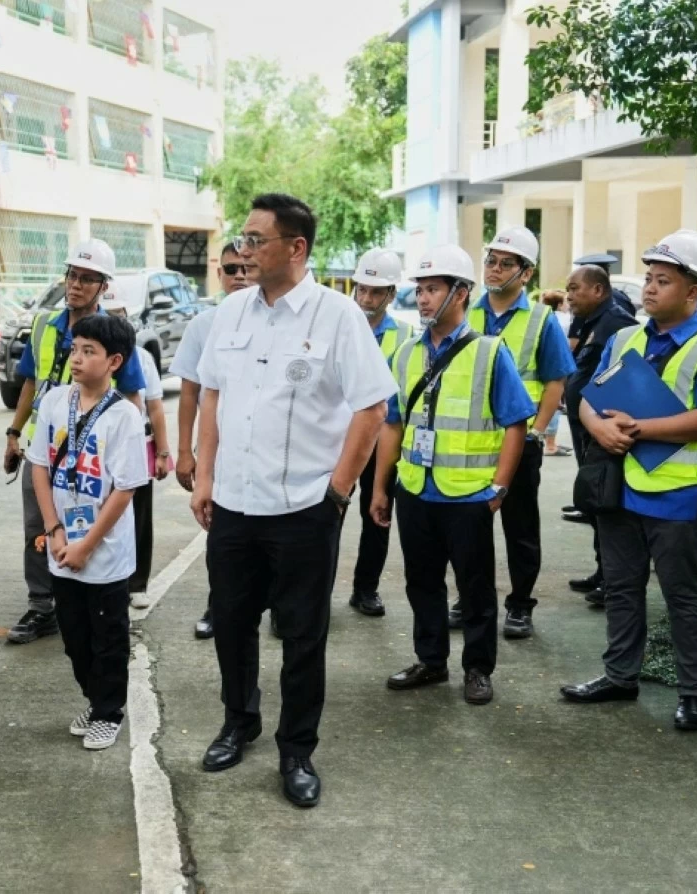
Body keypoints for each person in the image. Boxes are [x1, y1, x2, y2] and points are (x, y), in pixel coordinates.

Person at [191, 194, 396, 809]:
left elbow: (372, 407)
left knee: (304, 636)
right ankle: (239, 721)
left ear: (296, 248)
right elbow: (210, 397)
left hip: (304, 508)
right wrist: (204, 476)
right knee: (231, 622)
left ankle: (296, 749)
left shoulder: (336, 316)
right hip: (233, 503)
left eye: (257, 240)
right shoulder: (230, 314)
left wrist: (337, 493)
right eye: (244, 241)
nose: (245, 251)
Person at [561, 229, 697, 732]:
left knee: (682, 595)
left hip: (676, 496)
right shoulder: (624, 337)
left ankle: (694, 694)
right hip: (620, 487)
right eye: (648, 278)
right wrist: (597, 426)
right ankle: (620, 676)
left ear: (692, 291)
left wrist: (638, 429)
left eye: (664, 280)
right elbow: (586, 396)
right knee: (621, 586)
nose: (650, 288)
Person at [373, 244, 533, 708]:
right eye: (419, 290)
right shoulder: (405, 355)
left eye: (433, 289)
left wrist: (499, 487)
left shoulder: (489, 352)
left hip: (468, 496)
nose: (422, 299)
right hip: (416, 490)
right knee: (421, 582)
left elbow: (515, 423)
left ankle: (478, 669)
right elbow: (392, 424)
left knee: (475, 587)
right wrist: (383, 487)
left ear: (461, 293)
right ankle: (431, 660)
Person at [2, 239, 146, 645]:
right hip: (45, 447)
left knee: (93, 521)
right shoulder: (44, 327)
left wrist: (144, 447)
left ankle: (93, 595)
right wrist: (14, 434)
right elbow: (31, 381)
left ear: (104, 286)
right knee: (39, 525)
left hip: (95, 452)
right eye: (72, 276)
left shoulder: (114, 334)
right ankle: (41, 605)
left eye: (87, 279)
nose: (76, 285)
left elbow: (134, 393)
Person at [27, 314, 148, 750]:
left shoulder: (125, 416)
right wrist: (55, 530)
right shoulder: (57, 402)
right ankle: (96, 700)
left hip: (106, 551)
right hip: (63, 545)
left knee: (108, 639)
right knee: (75, 638)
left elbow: (125, 488)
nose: (76, 358)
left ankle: (108, 711)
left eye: (89, 351)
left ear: (114, 361)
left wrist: (86, 545)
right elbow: (39, 465)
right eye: (75, 349)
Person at [464, 226, 576, 640]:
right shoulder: (468, 311)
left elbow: (555, 381)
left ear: (526, 273)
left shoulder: (541, 320)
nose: (494, 269)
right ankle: (472, 599)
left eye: (505, 263)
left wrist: (537, 432)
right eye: (491, 261)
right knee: (469, 529)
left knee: (520, 528)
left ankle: (520, 606)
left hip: (519, 441)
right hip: (471, 443)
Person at [171, 244, 248, 639]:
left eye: (244, 268)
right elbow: (189, 392)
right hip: (216, 453)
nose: (238, 275)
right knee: (221, 538)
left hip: (262, 453)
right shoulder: (204, 324)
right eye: (230, 268)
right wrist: (185, 452)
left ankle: (280, 612)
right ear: (219, 275)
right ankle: (218, 607)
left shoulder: (276, 320)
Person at [562, 264, 637, 607]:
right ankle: (601, 571)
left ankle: (612, 580)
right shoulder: (592, 322)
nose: (569, 295)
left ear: (598, 290)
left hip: (603, 431)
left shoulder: (617, 323)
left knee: (607, 505)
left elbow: (627, 377)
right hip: (585, 428)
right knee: (594, 502)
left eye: (575, 288)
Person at [346, 247, 413, 618]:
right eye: (362, 289)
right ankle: (311, 592)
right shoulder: (338, 325)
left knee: (378, 513)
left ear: (391, 294)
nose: (367, 298)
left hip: (384, 440)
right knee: (324, 519)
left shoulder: (406, 336)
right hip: (338, 441)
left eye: (376, 292)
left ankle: (365, 589)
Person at [128, 343, 171, 608]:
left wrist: (162, 452)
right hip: (97, 448)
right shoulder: (88, 354)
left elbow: (154, 407)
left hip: (136, 445)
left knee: (139, 517)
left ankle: (137, 584)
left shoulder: (141, 357)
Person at [538, 289, 572, 457]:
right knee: (555, 404)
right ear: (559, 304)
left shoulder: (539, 319)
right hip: (560, 366)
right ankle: (550, 444)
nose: (567, 305)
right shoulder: (563, 319)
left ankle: (549, 441)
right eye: (565, 302)